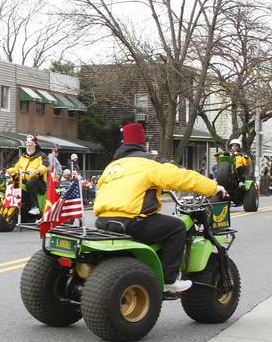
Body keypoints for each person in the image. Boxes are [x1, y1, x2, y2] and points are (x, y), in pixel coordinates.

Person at [95, 123, 226, 293]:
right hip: (132, 221)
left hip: (103, 221)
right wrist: (214, 187)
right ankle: (169, 280)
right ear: (144, 144)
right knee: (177, 228)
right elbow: (181, 178)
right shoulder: (148, 163)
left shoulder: (112, 167)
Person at [6, 135, 48, 217]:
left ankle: (35, 207)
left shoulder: (42, 155)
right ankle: (13, 204)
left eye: (30, 145)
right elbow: (16, 168)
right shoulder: (23, 157)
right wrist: (8, 171)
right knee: (12, 181)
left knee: (31, 183)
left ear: (35, 145)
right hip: (24, 180)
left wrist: (38, 171)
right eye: (27, 145)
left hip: (39, 182)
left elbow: (45, 166)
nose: (28, 147)